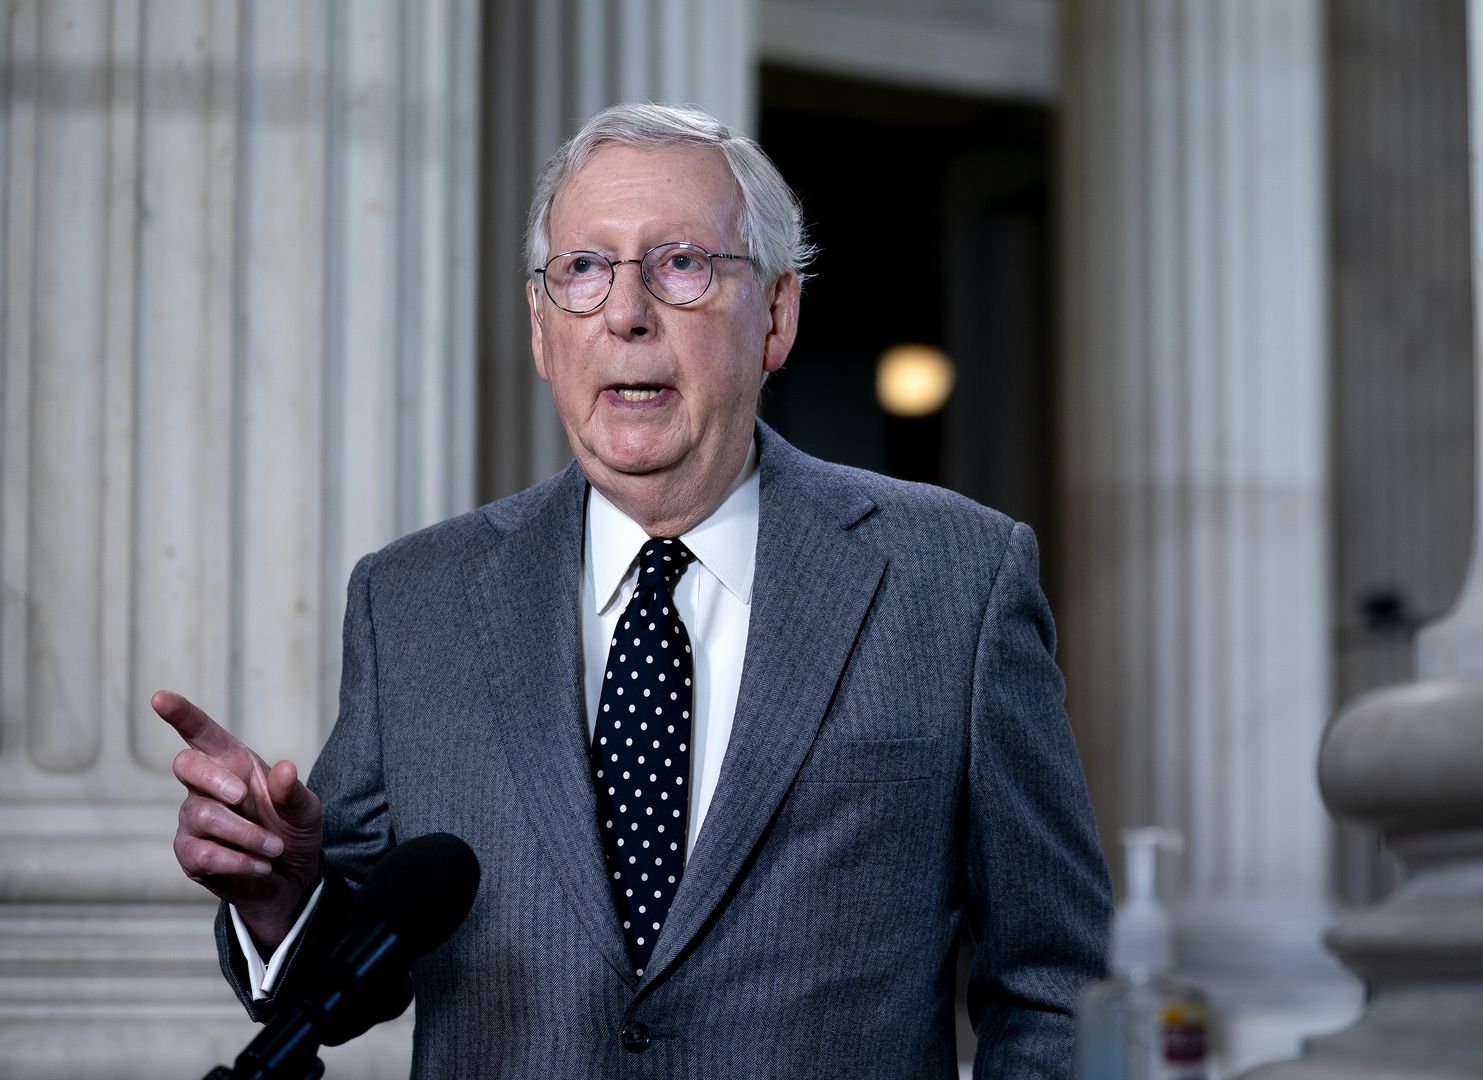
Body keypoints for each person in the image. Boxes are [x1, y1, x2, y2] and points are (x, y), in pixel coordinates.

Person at [157, 101, 1111, 1078]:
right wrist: (281, 892)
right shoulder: (413, 600)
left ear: (776, 315)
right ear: (541, 329)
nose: (626, 311)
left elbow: (1055, 986)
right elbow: (355, 969)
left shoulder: (954, 577)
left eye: (681, 264)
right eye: (584, 269)